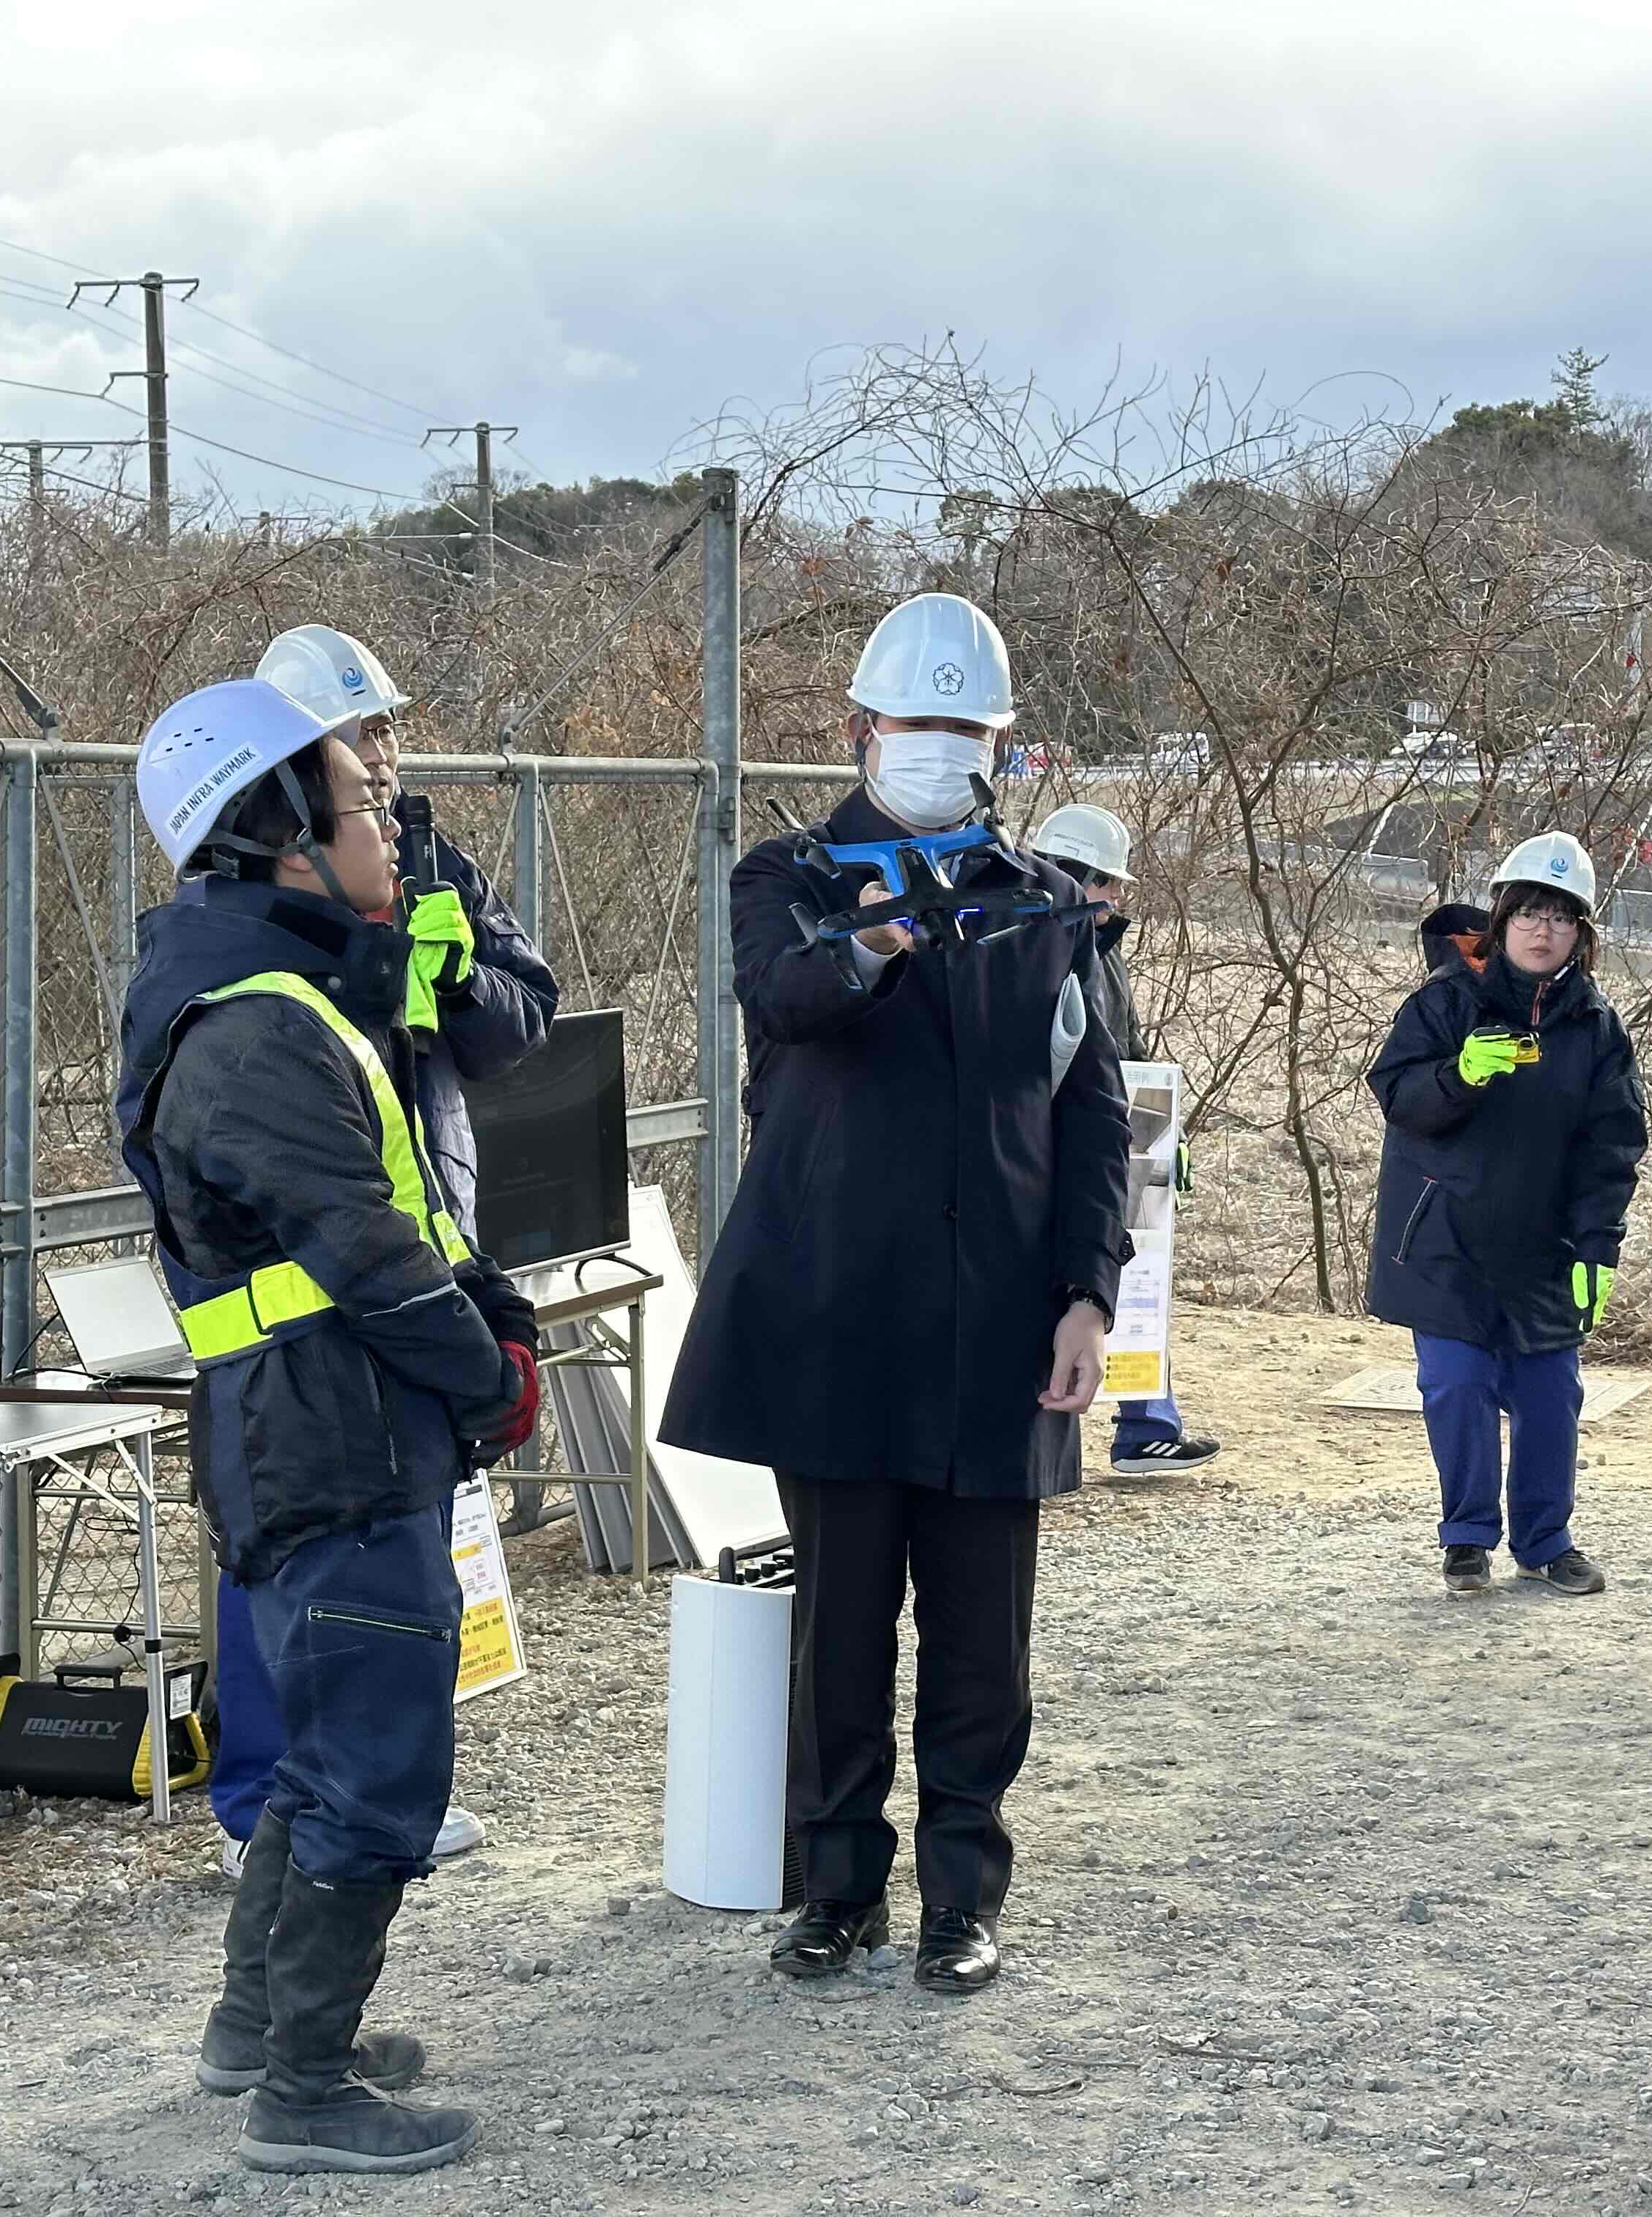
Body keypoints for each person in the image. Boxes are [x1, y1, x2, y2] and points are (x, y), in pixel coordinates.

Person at [661, 591, 1131, 1997]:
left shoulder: (1045, 904)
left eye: (960, 727)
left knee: (983, 1637)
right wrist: (876, 939)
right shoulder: (790, 877)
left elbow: (1094, 1114)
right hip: (837, 1316)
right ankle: (835, 1888)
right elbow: (782, 993)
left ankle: (961, 1895)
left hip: (998, 1321)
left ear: (1001, 740)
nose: (933, 747)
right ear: (860, 727)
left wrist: (1086, 1297)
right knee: (842, 1625)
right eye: (909, 723)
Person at [117, 677, 539, 2174]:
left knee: (320, 1755)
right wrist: (488, 1376)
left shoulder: (277, 997)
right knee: (375, 1765)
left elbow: (392, 1219)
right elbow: (363, 1249)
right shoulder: (256, 1027)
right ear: (282, 838)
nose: (394, 831)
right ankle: (305, 2093)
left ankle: (264, 2032)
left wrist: (487, 1311)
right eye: (366, 809)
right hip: (332, 1436)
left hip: (317, 1427)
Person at [192, 627, 561, 1881]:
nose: (384, 757)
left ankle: (359, 1781)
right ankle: (274, 1795)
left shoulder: (430, 860)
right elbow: (297, 1157)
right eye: (357, 739)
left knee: (398, 1547)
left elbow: (523, 1018)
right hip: (322, 1276)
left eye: (387, 729)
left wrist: (452, 982)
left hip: (420, 1205)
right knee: (304, 1533)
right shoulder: (255, 955)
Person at [1366, 831, 1646, 1599]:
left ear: (1580, 935)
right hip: (1445, 1240)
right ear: (1502, 919)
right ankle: (1465, 1538)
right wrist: (1458, 1075)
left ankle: (1545, 1540)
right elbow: (1400, 1099)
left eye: (1561, 916)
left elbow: (1611, 1145)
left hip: (1545, 1246)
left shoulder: (1596, 1026)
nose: (1542, 928)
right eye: (1529, 911)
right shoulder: (1444, 1002)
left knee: (1551, 1396)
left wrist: (1598, 1246)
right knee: (1455, 1388)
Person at [1026, 801, 1218, 1474]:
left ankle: (1147, 1422)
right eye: (1105, 882)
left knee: (1134, 1270)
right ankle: (1135, 1421)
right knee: (1098, 1277)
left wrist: (1167, 1133)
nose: (1114, 896)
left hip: (1107, 1142)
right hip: (1055, 1151)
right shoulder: (1037, 950)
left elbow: (1128, 1052)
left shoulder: (1103, 953)